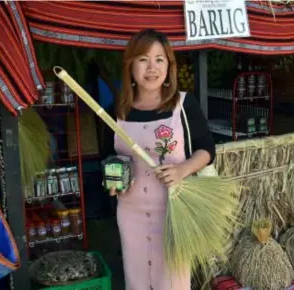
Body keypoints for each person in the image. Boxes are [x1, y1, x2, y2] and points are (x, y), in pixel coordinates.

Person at [102, 29, 215, 290]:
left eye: (159, 59)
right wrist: (113, 179)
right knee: (137, 279)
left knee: (172, 280)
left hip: (174, 213)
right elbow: (109, 158)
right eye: (143, 59)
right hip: (130, 213)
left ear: (169, 66)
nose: (151, 68)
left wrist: (182, 170)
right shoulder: (117, 110)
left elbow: (207, 149)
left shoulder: (184, 105)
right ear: (130, 66)